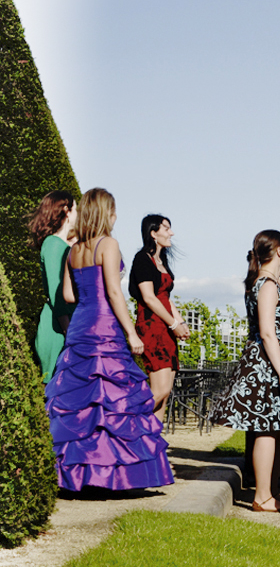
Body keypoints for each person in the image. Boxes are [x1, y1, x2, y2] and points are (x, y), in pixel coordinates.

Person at [45, 188, 174, 491]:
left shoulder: (74, 249)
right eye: (114, 211)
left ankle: (76, 474)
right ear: (106, 213)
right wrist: (131, 332)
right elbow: (115, 292)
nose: (116, 217)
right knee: (111, 397)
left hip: (80, 325)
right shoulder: (109, 244)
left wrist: (87, 295)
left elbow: (67, 295)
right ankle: (110, 475)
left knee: (81, 400)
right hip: (105, 325)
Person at [212, 230, 280, 513]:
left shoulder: (274, 284)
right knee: (267, 428)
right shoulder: (267, 284)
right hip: (266, 365)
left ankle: (272, 490)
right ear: (278, 251)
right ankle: (262, 496)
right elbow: (268, 333)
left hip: (277, 361)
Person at [129, 215, 190, 422]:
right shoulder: (142, 259)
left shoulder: (162, 261)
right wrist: (174, 324)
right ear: (153, 233)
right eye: (166, 228)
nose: (171, 233)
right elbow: (149, 297)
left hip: (166, 327)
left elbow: (166, 298)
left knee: (165, 395)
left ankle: (154, 446)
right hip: (152, 326)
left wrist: (179, 322)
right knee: (159, 391)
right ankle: (125, 423)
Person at [27, 190, 78, 384]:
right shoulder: (54, 245)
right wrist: (70, 333)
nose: (78, 213)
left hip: (62, 325)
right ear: (66, 210)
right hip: (59, 328)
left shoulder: (59, 244)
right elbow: (58, 294)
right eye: (76, 208)